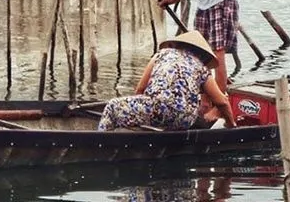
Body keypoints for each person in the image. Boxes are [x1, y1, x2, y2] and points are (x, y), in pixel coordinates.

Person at [98, 30, 235, 131]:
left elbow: (140, 89)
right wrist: (231, 125)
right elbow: (222, 102)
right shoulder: (201, 68)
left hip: (158, 110)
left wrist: (138, 115)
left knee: (112, 106)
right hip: (185, 119)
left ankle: (102, 142)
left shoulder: (162, 54)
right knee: (177, 111)